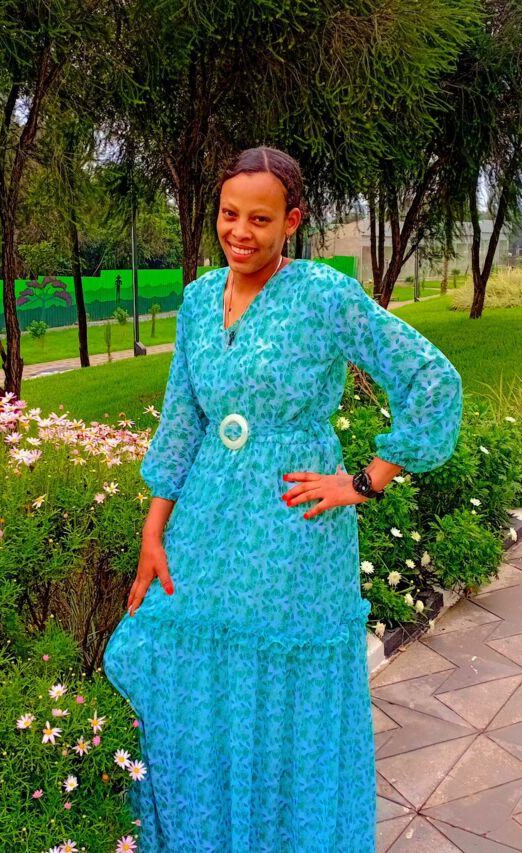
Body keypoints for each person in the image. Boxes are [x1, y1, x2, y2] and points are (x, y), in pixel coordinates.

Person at [103, 146, 463, 852]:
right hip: (205, 523)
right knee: (181, 666)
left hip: (294, 531)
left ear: (292, 222)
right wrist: (153, 533)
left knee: (282, 689)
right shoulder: (200, 299)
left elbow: (430, 378)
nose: (240, 232)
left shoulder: (323, 296)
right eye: (229, 214)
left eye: (260, 219)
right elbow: (182, 419)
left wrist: (364, 482)